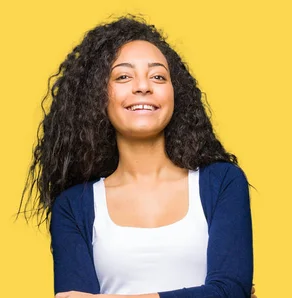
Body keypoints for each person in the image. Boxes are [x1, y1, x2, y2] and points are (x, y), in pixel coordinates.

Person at [17, 15, 256, 298]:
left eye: (158, 76)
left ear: (174, 93)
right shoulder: (74, 207)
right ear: (98, 96)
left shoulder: (222, 182)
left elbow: (229, 291)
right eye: (123, 76)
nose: (143, 86)